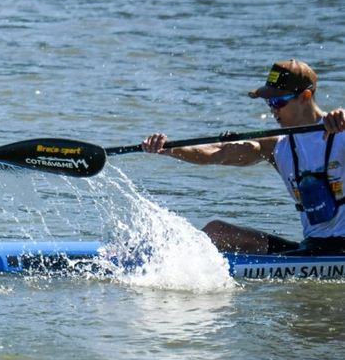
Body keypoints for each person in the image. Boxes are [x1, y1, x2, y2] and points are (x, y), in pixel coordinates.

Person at [142, 59, 345, 255]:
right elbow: (217, 152)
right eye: (268, 101)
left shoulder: (341, 132)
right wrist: (169, 149)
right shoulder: (277, 145)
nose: (272, 109)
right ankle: (151, 259)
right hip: (311, 247)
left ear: (306, 96)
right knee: (216, 232)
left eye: (278, 101)